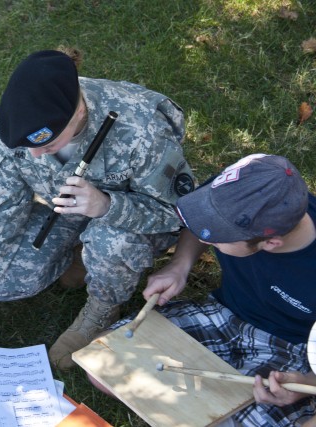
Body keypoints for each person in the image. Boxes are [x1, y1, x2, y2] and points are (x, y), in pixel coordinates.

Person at [0, 47, 196, 369]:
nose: (35, 157)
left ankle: (102, 307)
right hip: (64, 212)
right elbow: (1, 214)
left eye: (48, 147)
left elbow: (177, 213)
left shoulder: (141, 127)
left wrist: (106, 206)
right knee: (5, 281)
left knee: (110, 242)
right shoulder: (20, 126)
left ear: (78, 114)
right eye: (30, 149)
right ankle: (78, 254)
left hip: (128, 220)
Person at [89, 154, 316, 426]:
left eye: (217, 237)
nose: (205, 236)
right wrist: (179, 266)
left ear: (271, 243)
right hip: (220, 312)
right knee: (104, 359)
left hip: (290, 351)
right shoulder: (244, 187)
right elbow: (199, 226)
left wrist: (303, 383)